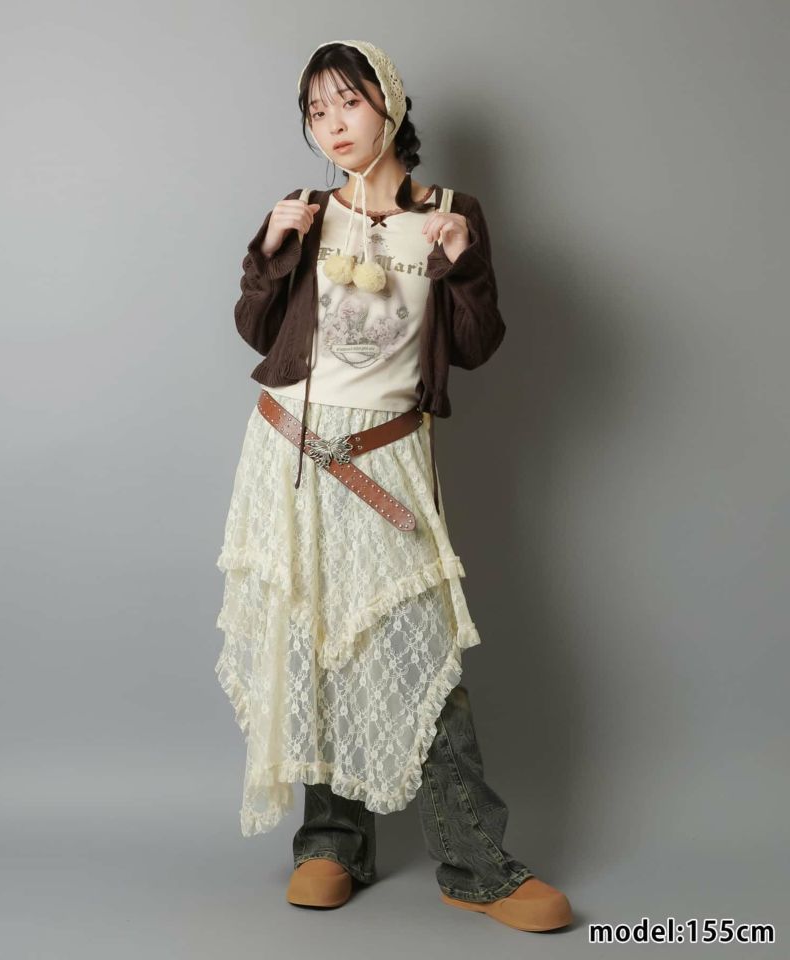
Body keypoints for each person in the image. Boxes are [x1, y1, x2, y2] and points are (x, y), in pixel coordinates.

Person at [215, 39, 574, 933]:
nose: (331, 125)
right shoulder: (305, 213)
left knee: (424, 654)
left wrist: (463, 260)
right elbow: (254, 327)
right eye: (316, 111)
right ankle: (331, 844)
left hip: (385, 460)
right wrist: (270, 249)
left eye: (348, 102)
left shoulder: (451, 214)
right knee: (314, 642)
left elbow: (478, 344)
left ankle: (476, 864)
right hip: (291, 455)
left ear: (391, 104)